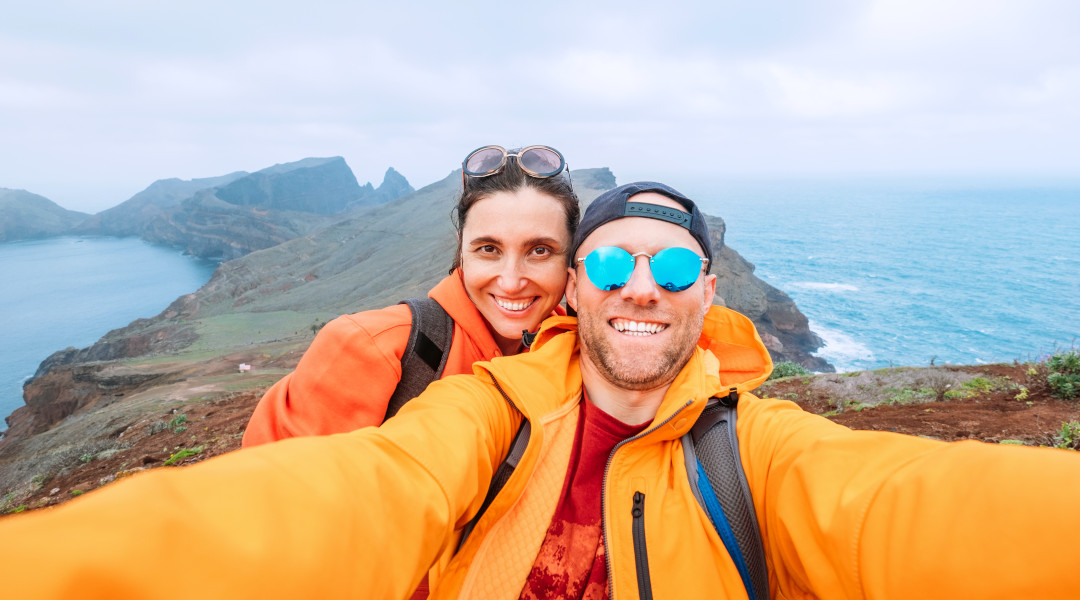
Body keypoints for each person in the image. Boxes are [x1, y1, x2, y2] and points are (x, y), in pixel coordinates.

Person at [1, 183, 1079, 600]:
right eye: (610, 263)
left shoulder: (756, 447)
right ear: (579, 289)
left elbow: (901, 503)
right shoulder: (487, 411)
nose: (641, 286)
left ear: (710, 292)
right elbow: (357, 492)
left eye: (672, 265)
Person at [241, 144, 579, 446]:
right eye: (489, 249)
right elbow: (280, 485)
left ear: (570, 258)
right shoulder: (370, 346)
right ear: (462, 249)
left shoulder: (576, 351)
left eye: (539, 251)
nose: (511, 282)